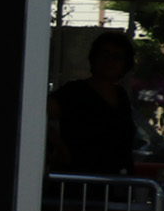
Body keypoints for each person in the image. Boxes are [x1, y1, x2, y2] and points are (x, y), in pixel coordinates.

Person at [46, 28, 142, 178]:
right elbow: (37, 113)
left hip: (115, 181)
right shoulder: (74, 91)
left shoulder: (121, 95)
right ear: (94, 58)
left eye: (117, 57)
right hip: (80, 180)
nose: (109, 61)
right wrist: (59, 146)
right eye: (104, 54)